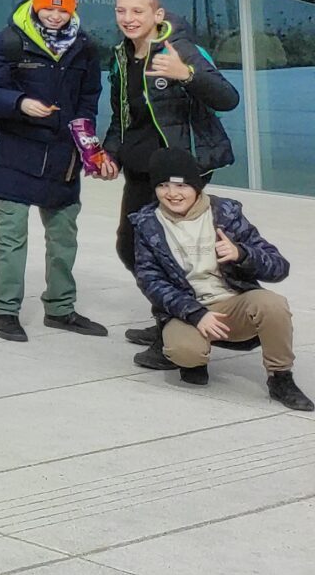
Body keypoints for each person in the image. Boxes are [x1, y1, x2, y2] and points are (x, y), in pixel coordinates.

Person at [0, 0, 110, 342]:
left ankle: (61, 308)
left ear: (72, 9)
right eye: (48, 6)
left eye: (62, 9)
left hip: (62, 158)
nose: (54, 15)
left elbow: (88, 98)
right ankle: (4, 311)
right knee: (11, 240)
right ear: (36, 3)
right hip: (11, 156)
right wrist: (20, 103)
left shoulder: (84, 46)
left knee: (64, 238)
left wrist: (88, 144)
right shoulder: (8, 42)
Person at [107, 0, 238, 348]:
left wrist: (187, 75)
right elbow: (122, 114)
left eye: (137, 11)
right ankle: (172, 315)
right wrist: (110, 153)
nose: (128, 19)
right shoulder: (120, 55)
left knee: (168, 251)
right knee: (130, 245)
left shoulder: (181, 49)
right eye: (121, 11)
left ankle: (181, 330)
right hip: (139, 167)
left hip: (178, 170)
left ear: (157, 14)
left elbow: (228, 98)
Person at [129, 150, 310, 410]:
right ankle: (193, 359)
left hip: (232, 302)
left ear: (196, 185)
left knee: (272, 304)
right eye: (163, 185)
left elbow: (279, 267)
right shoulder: (147, 223)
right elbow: (151, 281)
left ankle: (281, 377)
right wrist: (196, 314)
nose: (172, 193)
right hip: (187, 309)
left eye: (181, 185)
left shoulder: (224, 213)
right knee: (186, 353)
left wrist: (242, 254)